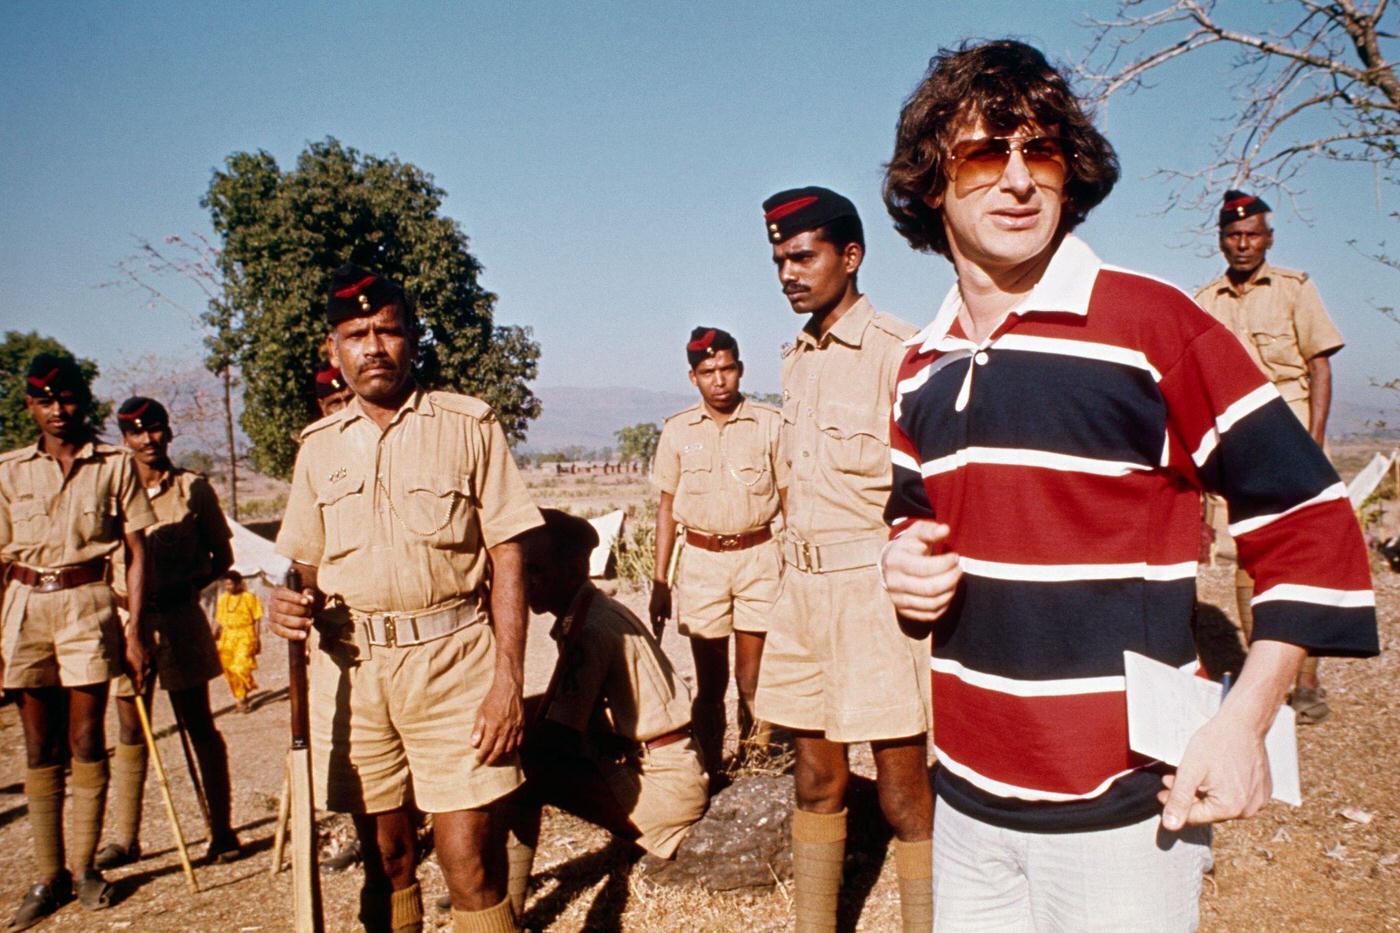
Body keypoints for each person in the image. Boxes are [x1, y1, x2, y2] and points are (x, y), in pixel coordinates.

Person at [879, 40, 1378, 929]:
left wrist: (1245, 717)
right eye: (986, 153)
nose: (1020, 179)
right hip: (965, 804)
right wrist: (903, 570)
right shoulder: (920, 365)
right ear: (928, 184)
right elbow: (912, 526)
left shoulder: (1153, 323)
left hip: (1124, 811)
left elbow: (1311, 521)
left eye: (1044, 152)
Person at [269, 263, 542, 933]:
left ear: (412, 338)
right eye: (355, 334)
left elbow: (509, 551)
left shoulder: (469, 425)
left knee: (468, 859)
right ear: (332, 348)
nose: (373, 348)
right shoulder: (317, 449)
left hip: (455, 665)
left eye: (388, 330)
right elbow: (301, 565)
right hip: (356, 676)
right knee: (386, 858)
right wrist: (287, 601)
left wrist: (509, 677)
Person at [752, 187, 933, 932]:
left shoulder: (901, 350)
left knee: (901, 790)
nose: (789, 272)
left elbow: (932, 489)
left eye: (803, 256)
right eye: (778, 260)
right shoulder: (795, 359)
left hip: (873, 593)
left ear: (849, 256)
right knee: (816, 777)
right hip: (800, 591)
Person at [0, 354, 156, 929]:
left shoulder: (114, 465)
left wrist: (136, 631)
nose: (57, 411)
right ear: (30, 407)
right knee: (40, 748)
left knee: (87, 738)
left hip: (88, 608)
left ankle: (88, 867)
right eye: (45, 400)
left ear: (82, 401)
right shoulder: (9, 470)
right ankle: (48, 875)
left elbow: (138, 553)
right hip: (24, 610)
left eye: (66, 398)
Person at [504, 508, 707, 918]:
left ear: (574, 568)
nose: (528, 584)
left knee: (523, 772)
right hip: (667, 763)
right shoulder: (592, 610)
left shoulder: (589, 629)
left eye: (539, 571)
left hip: (662, 783)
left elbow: (558, 736)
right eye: (526, 571)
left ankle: (501, 904)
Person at [1195, 191, 1347, 724]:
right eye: (1233, 236)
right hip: (1236, 444)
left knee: (1302, 559)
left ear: (1268, 238)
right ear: (1221, 240)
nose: (1243, 244)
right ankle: (1255, 675)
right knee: (1245, 557)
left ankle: (1304, 682)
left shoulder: (1293, 289)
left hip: (1293, 438)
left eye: (1252, 235)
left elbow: (1320, 367)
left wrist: (1315, 441)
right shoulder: (1204, 301)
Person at [97, 396, 242, 870]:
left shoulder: (192, 489)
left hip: (179, 617)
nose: (148, 440)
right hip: (126, 621)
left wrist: (183, 587)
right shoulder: (111, 488)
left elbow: (222, 557)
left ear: (169, 433)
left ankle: (221, 830)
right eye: (136, 432)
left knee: (198, 722)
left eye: (155, 429)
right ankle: (125, 838)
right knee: (128, 726)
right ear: (124, 439)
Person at [649, 326, 784, 778]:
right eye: (708, 371)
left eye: (727, 369)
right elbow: (666, 509)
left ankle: (757, 764)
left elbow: (790, 497)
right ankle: (710, 770)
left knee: (753, 677)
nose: (719, 380)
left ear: (740, 370)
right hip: (703, 564)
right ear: (694, 378)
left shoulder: (769, 423)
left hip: (759, 558)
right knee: (710, 683)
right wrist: (660, 581)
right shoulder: (677, 431)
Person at [215, 570, 263, 712]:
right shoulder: (223, 598)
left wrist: (257, 639)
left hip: (245, 635)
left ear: (237, 584)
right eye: (226, 584)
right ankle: (240, 698)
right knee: (229, 669)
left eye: (230, 584)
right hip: (227, 637)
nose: (228, 587)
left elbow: (257, 619)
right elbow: (218, 619)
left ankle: (242, 698)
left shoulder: (249, 597)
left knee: (240, 667)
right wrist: (212, 635)